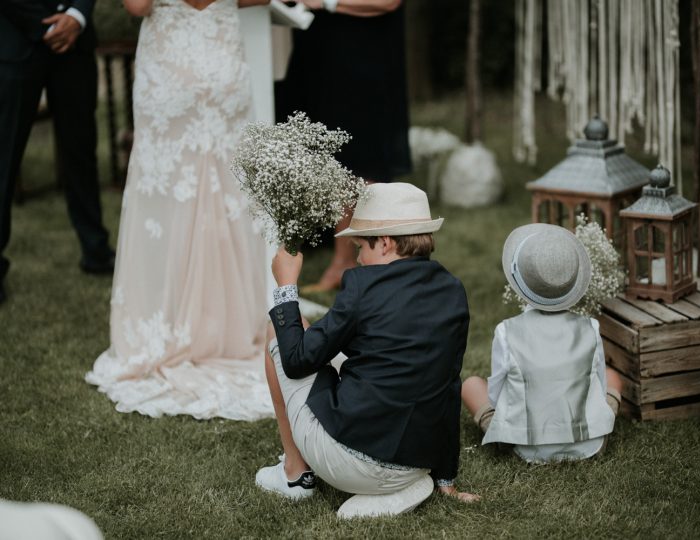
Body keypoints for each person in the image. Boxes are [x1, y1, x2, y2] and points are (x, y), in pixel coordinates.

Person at [86, 0, 273, 420]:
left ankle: (170, 325)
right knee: (228, 198)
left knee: (167, 199)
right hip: (225, 63)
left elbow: (137, 6)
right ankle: (228, 331)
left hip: (170, 69)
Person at [256, 183, 478, 518]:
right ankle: (414, 485)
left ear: (386, 244)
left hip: (351, 462)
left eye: (360, 246)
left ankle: (295, 474)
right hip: (415, 462)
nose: (358, 258)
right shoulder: (453, 290)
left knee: (278, 327)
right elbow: (449, 385)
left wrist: (286, 288)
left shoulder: (362, 286)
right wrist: (446, 477)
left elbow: (298, 360)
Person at [276, 0, 412, 292]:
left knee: (359, 156)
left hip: (363, 52)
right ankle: (341, 261)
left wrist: (327, 2)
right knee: (324, 153)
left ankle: (361, 264)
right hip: (319, 51)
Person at [461, 224, 623, 463]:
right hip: (589, 444)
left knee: (472, 385)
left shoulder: (507, 331)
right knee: (612, 376)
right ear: (573, 282)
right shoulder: (590, 327)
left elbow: (496, 397)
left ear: (520, 282)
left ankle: (506, 438)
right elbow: (597, 387)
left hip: (524, 448)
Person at [0, 0, 116, 305]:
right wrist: (45, 25)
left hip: (76, 43)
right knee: (5, 157)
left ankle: (96, 249)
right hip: (15, 40)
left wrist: (77, 16)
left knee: (81, 151)